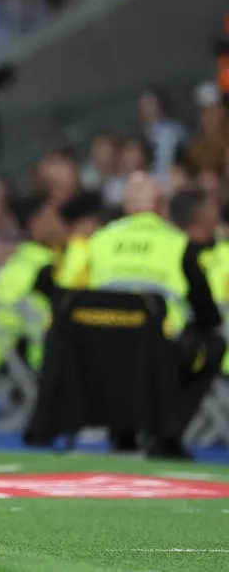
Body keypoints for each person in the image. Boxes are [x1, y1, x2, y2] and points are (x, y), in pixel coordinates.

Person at [74, 173, 225, 458]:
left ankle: (123, 434)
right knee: (212, 344)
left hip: (99, 353)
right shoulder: (177, 244)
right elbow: (208, 314)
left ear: (125, 206)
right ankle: (167, 435)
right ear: (160, 205)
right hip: (159, 354)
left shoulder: (97, 241)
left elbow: (72, 295)